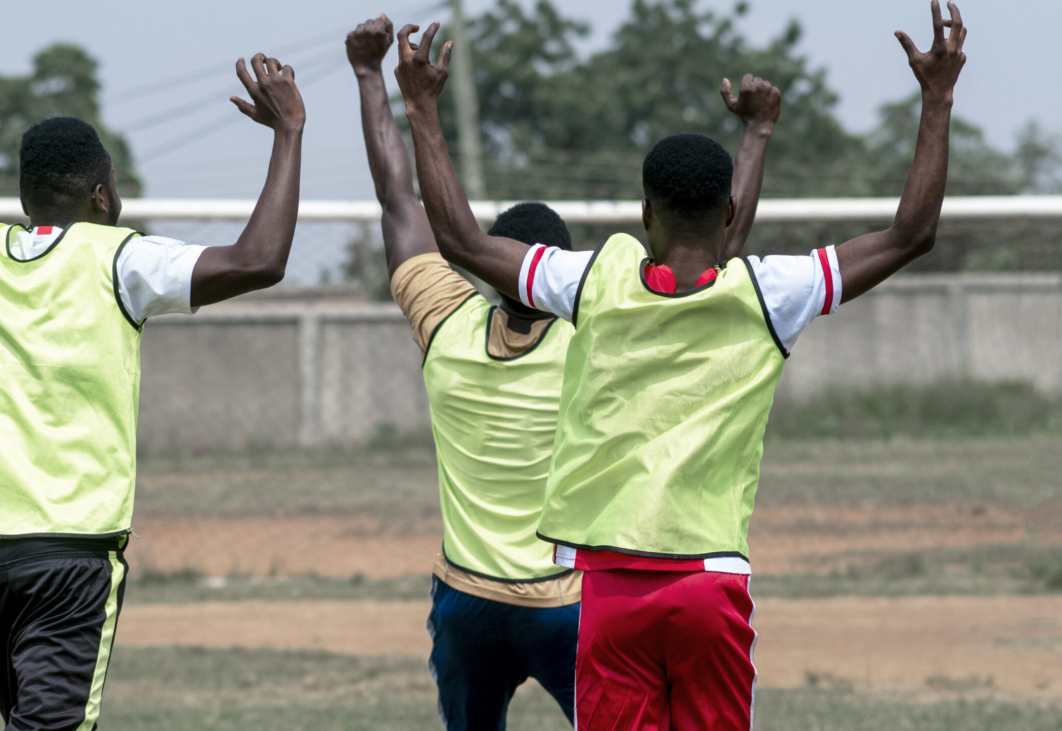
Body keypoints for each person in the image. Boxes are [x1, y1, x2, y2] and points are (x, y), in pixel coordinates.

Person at [393, 1, 966, 728]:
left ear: (645, 213)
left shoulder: (597, 281)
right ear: (728, 214)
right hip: (710, 584)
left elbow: (463, 239)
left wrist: (420, 107)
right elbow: (911, 233)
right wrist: (937, 98)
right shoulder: (765, 293)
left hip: (608, 593)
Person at [0, 37, 306, 731]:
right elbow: (260, 259)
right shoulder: (121, 258)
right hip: (69, 556)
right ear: (100, 193)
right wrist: (289, 133)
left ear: (26, 195)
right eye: (114, 183)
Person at [349, 13, 781, 730]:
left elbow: (402, 202)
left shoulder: (445, 326)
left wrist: (373, 81)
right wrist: (755, 134)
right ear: (553, 275)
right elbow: (715, 251)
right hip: (569, 601)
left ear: (492, 270)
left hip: (466, 601)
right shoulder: (598, 326)